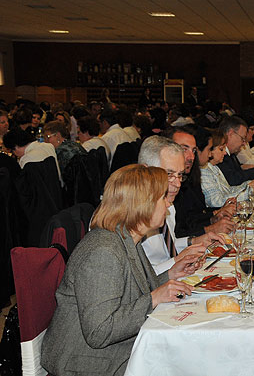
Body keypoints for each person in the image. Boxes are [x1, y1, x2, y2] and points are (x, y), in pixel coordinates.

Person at [41, 165, 201, 376]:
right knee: (185, 360)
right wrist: (154, 298)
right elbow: (99, 332)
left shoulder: (127, 236)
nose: (169, 204)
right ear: (142, 205)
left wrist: (169, 275)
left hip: (109, 349)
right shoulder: (103, 251)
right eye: (162, 198)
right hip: (84, 360)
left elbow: (131, 289)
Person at [138, 136, 227, 275]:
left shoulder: (168, 205)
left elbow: (167, 248)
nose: (178, 184)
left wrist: (194, 241)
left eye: (180, 175)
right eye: (169, 174)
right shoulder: (131, 212)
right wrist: (178, 260)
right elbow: (138, 279)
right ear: (145, 171)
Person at [165, 126, 236, 241]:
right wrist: (210, 228)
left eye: (193, 151)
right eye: (184, 149)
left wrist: (214, 216)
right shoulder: (166, 185)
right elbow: (177, 234)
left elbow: (191, 218)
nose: (192, 157)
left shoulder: (189, 177)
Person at [201, 128, 254, 208]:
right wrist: (248, 191)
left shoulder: (215, 167)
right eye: (221, 149)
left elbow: (229, 190)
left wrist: (249, 184)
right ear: (210, 150)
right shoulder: (204, 172)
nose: (224, 152)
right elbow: (216, 202)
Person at [217, 116, 254, 186]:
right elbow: (232, 179)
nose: (244, 143)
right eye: (242, 138)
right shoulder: (219, 154)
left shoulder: (231, 153)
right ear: (230, 134)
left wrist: (241, 167)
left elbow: (233, 171)